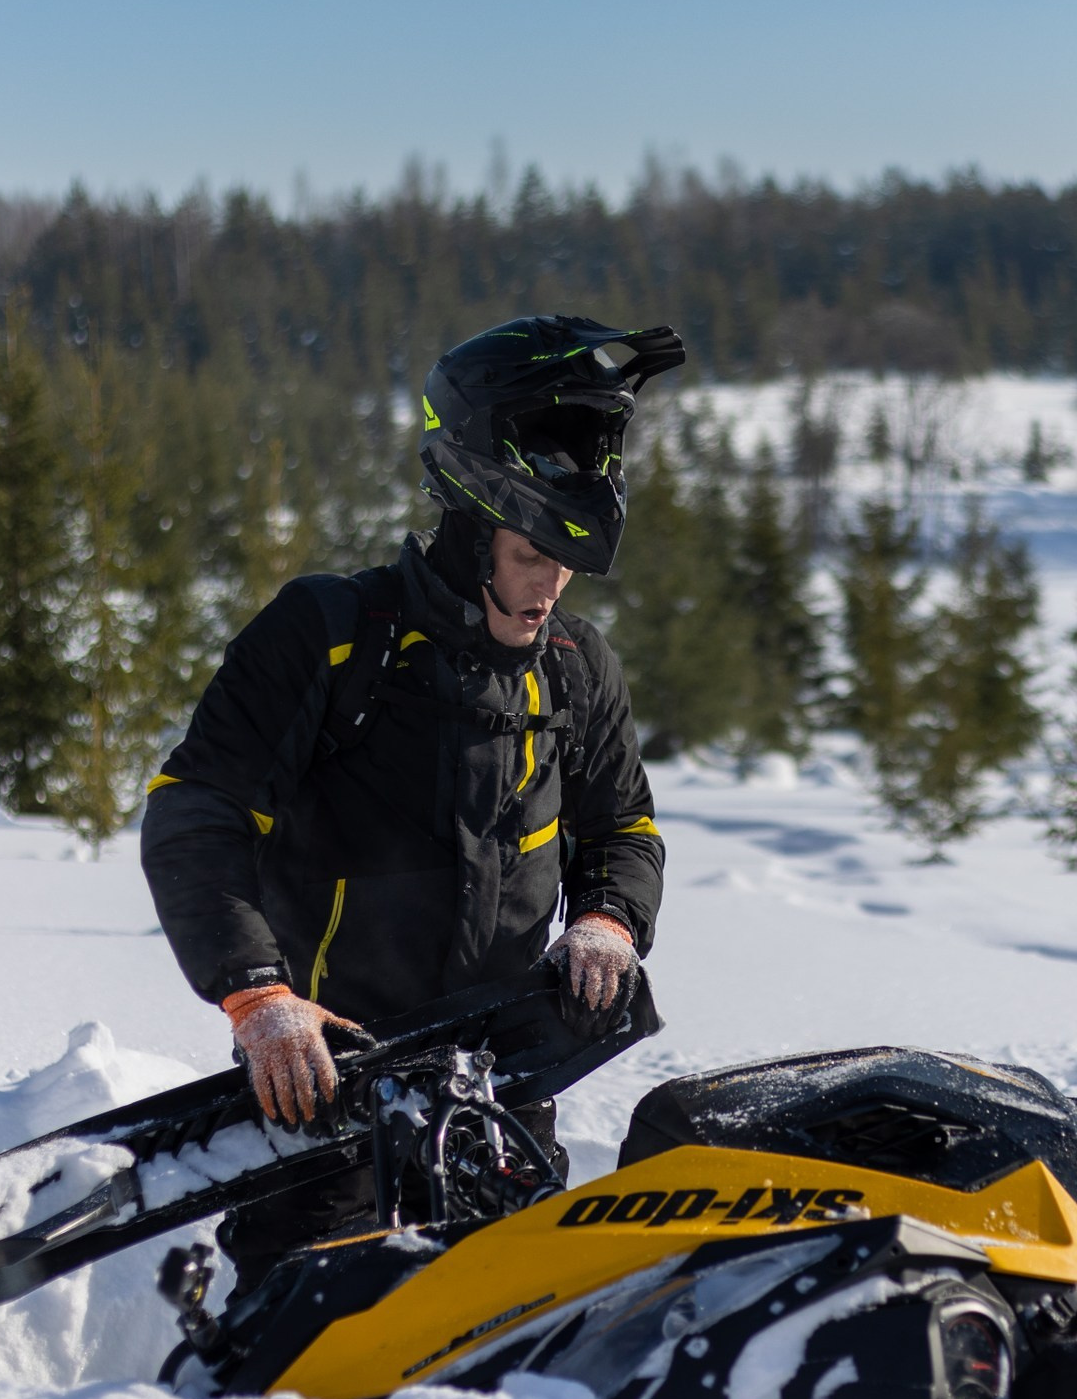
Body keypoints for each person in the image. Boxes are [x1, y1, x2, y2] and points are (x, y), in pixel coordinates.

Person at [140, 315, 682, 1288]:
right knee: (301, 1365)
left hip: (505, 1090)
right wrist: (257, 994)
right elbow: (195, 812)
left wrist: (607, 921)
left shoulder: (574, 667)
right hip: (321, 1089)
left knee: (510, 1357)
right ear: (472, 520)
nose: (547, 589)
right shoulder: (331, 636)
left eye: (566, 566)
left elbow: (624, 828)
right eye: (531, 556)